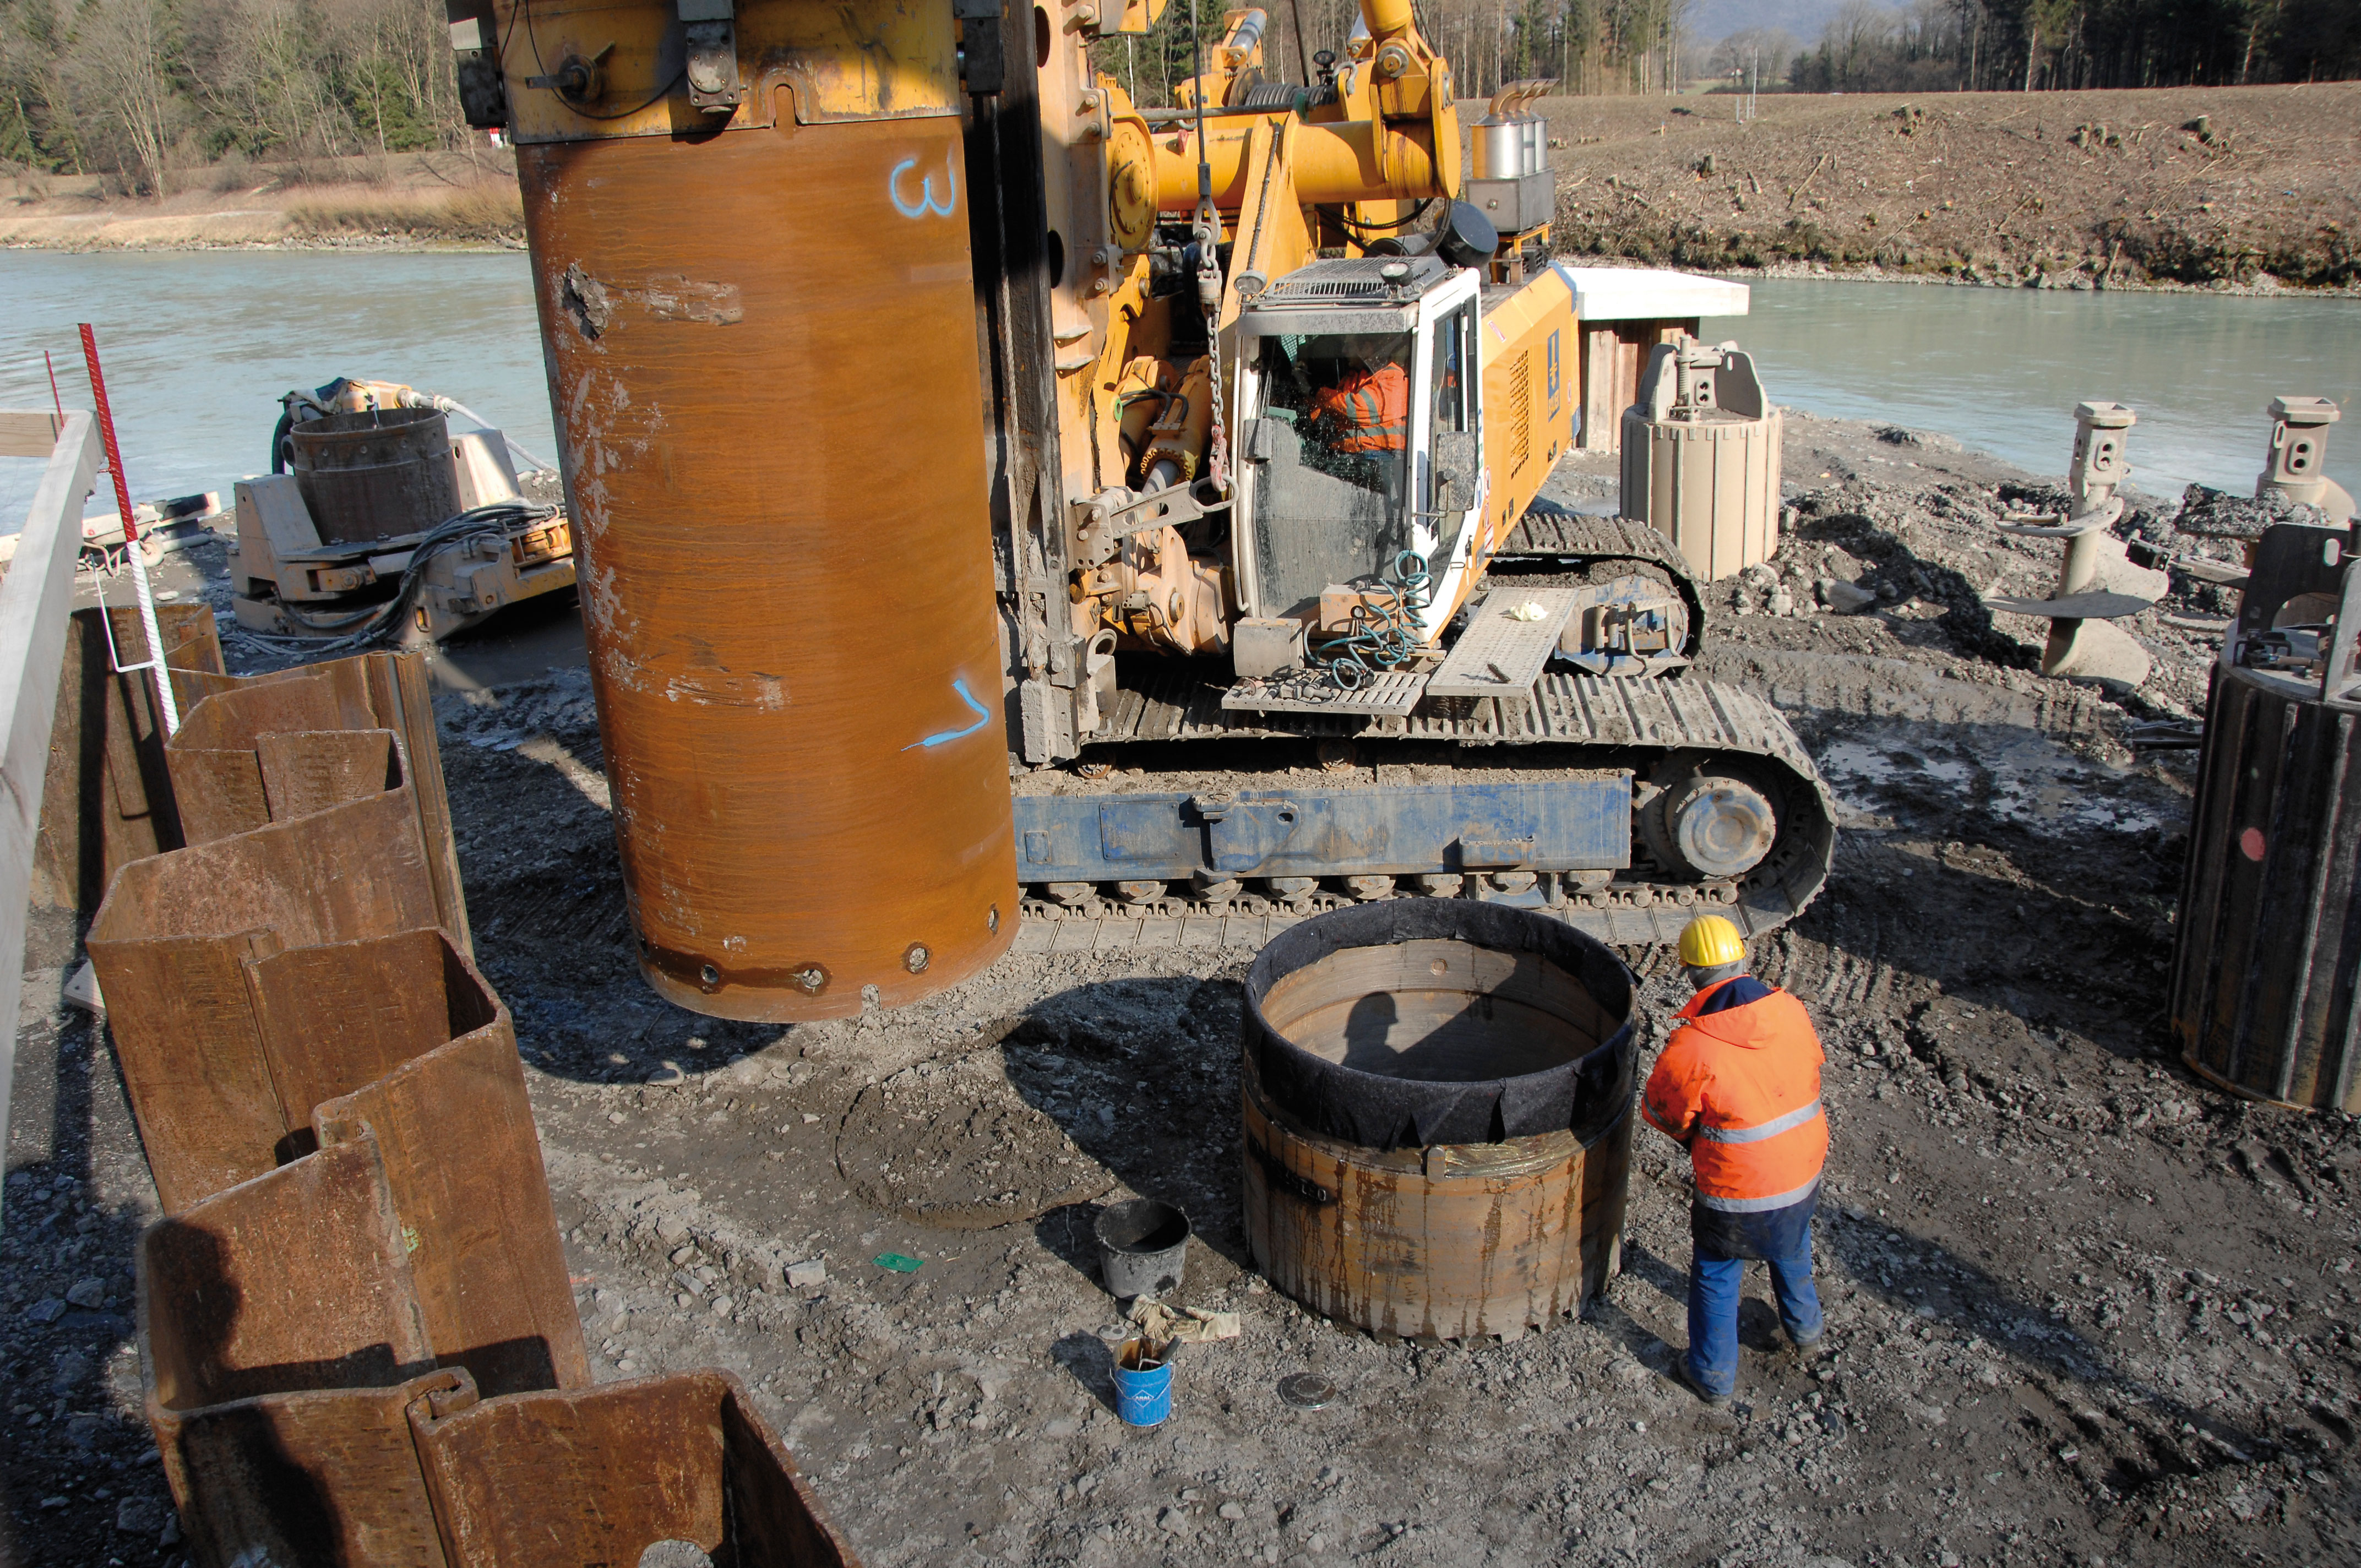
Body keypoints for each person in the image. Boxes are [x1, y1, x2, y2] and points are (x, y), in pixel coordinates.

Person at [1641, 913, 1830, 1406]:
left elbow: (1661, 1112)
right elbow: (1810, 1067)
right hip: (1804, 1165)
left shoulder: (1694, 1045)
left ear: (1688, 971)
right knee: (1791, 1243)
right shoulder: (1790, 1009)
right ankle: (1806, 1332)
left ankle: (1712, 1376)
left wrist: (1699, 1138)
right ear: (1743, 960)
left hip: (1740, 1187)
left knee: (1717, 1272)